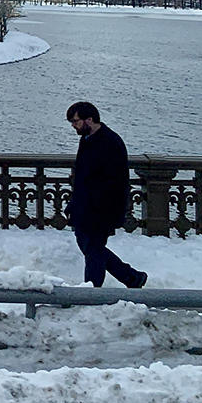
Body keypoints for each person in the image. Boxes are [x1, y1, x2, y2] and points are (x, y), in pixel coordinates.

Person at [65, 101, 148, 289]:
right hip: (85, 207)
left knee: (93, 250)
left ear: (90, 119)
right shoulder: (86, 139)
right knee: (90, 247)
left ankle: (92, 293)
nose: (73, 125)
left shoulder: (110, 142)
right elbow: (82, 177)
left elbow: (115, 182)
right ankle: (132, 278)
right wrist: (74, 203)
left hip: (101, 210)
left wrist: (101, 209)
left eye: (75, 121)